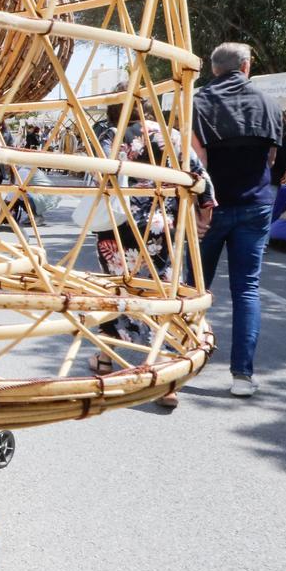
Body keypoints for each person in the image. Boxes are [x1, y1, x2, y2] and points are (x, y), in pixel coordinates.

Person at [91, 118, 212, 409]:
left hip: (119, 227)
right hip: (162, 226)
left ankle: (107, 358)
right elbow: (201, 178)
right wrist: (203, 216)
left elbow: (99, 175)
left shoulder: (112, 134)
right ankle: (165, 377)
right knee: (165, 294)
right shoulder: (172, 136)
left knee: (117, 292)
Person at [192, 42, 284, 398]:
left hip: (209, 208)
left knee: (192, 287)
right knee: (246, 289)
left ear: (213, 69)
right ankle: (242, 376)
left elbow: (195, 161)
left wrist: (201, 206)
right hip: (255, 205)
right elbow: (273, 158)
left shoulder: (197, 102)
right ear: (246, 66)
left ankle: (182, 360)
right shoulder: (269, 103)